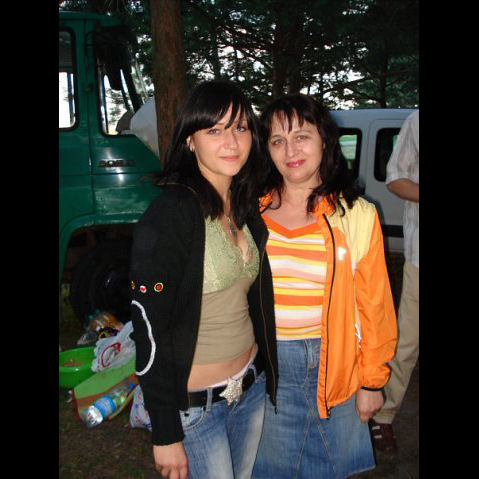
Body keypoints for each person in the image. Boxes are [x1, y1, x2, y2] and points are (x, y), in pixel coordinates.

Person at [129, 80, 278, 479]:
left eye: (240, 127)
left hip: (250, 388)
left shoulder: (246, 207)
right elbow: (148, 328)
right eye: (214, 130)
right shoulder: (171, 215)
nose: (231, 141)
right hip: (195, 407)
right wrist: (165, 431)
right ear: (190, 140)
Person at [251, 93, 397, 479]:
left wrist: (372, 381)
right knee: (270, 469)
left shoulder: (357, 215)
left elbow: (374, 304)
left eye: (302, 136)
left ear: (324, 140)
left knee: (327, 469)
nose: (291, 150)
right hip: (266, 366)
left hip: (334, 362)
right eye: (278, 140)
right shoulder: (250, 212)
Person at [369, 109, 419, 452]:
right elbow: (396, 178)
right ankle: (384, 415)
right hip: (419, 257)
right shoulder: (417, 122)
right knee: (407, 343)